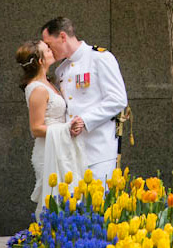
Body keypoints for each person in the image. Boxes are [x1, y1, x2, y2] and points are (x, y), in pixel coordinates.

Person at [41, 17, 128, 184]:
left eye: (49, 44)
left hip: (98, 150)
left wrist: (86, 120)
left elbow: (118, 99)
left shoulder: (100, 58)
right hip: (71, 152)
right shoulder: (61, 70)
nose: (49, 50)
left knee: (98, 205)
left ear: (63, 36)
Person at [17, 39, 84, 219]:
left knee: (68, 198)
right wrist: (66, 129)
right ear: (40, 60)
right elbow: (36, 128)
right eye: (46, 49)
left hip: (60, 146)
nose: (50, 49)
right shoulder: (37, 89)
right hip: (48, 150)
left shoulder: (49, 82)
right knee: (53, 200)